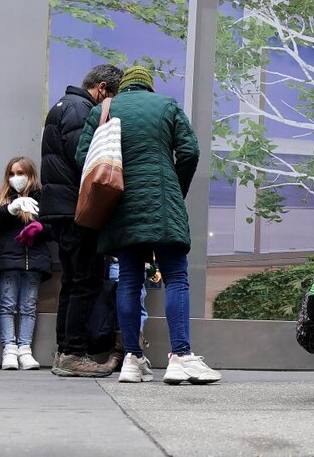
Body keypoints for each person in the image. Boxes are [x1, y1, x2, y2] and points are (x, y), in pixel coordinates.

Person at [76, 65, 220, 385]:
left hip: (121, 207)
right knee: (176, 278)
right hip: (162, 203)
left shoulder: (105, 109)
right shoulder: (166, 106)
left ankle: (132, 358)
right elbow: (190, 151)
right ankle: (181, 356)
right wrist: (174, 185)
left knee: (129, 280)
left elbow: (82, 157)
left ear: (123, 86)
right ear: (149, 86)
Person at [41, 64, 122, 377]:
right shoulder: (79, 110)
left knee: (72, 281)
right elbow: (85, 157)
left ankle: (64, 352)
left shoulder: (63, 105)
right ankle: (73, 353)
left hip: (60, 209)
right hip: (76, 209)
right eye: (112, 97)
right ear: (102, 88)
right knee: (85, 281)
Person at [0, 157, 52, 371]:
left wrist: (39, 227)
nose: (16, 178)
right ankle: (9, 349)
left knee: (28, 307)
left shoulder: (42, 198)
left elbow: (55, 226)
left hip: (35, 261)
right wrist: (10, 208)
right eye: (12, 174)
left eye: (20, 173)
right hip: (9, 261)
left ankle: (25, 350)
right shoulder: (2, 197)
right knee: (7, 306)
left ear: (30, 175)